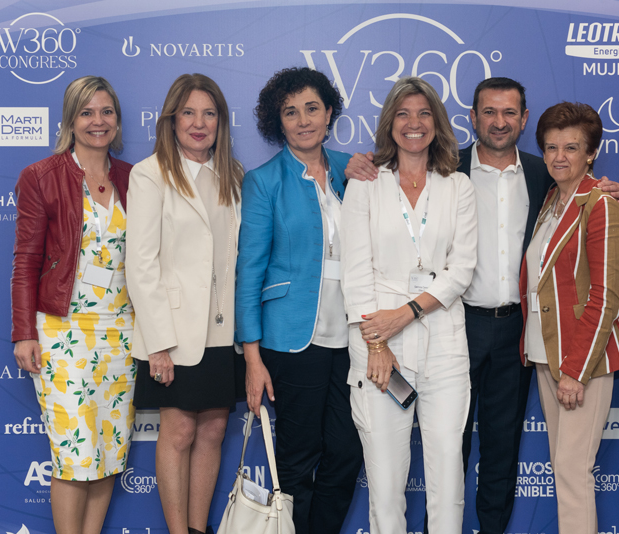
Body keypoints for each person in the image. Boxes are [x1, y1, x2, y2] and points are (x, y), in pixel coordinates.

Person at [344, 77, 619, 533]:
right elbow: (359, 262)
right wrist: (356, 164)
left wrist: (610, 192)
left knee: (501, 446)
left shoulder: (544, 173)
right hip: (457, 323)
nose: (499, 122)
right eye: (489, 112)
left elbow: (582, 201)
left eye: (509, 112)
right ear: (472, 118)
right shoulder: (448, 168)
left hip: (515, 329)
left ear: (523, 119)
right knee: (444, 453)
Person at [340, 76, 477, 534]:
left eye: (423, 113)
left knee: (448, 478)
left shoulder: (458, 186)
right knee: (385, 485)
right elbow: (355, 272)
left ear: (437, 124)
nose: (413, 123)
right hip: (380, 351)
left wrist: (406, 313)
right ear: (389, 123)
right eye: (402, 114)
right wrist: (378, 344)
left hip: (443, 346)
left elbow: (462, 269)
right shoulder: (366, 184)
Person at [235, 67, 362, 534]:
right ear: (278, 122)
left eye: (312, 108)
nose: (303, 120)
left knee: (346, 451)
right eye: (291, 112)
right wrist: (252, 358)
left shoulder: (355, 170)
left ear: (329, 114)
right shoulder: (264, 181)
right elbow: (249, 272)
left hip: (353, 339)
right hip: (290, 340)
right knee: (297, 456)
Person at [11, 75, 134, 534]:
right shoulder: (41, 177)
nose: (97, 121)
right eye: (86, 112)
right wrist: (24, 332)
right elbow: (25, 261)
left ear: (117, 119)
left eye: (106, 111)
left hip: (122, 333)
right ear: (70, 120)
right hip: (63, 332)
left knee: (108, 453)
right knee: (74, 454)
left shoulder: (134, 178)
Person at [126, 73, 243, 534]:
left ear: (221, 122)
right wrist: (158, 343)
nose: (199, 123)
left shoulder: (233, 176)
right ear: (171, 120)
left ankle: (198, 529)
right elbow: (141, 265)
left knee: (213, 430)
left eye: (209, 114)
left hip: (222, 330)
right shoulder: (149, 174)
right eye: (189, 113)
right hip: (172, 331)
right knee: (178, 432)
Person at [519, 102, 619, 534]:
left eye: (571, 147)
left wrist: (576, 371)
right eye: (551, 147)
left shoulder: (601, 204)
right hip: (546, 352)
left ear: (591, 153)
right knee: (564, 467)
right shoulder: (552, 199)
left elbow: (606, 297)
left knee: (571, 470)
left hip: (584, 360)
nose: (559, 157)